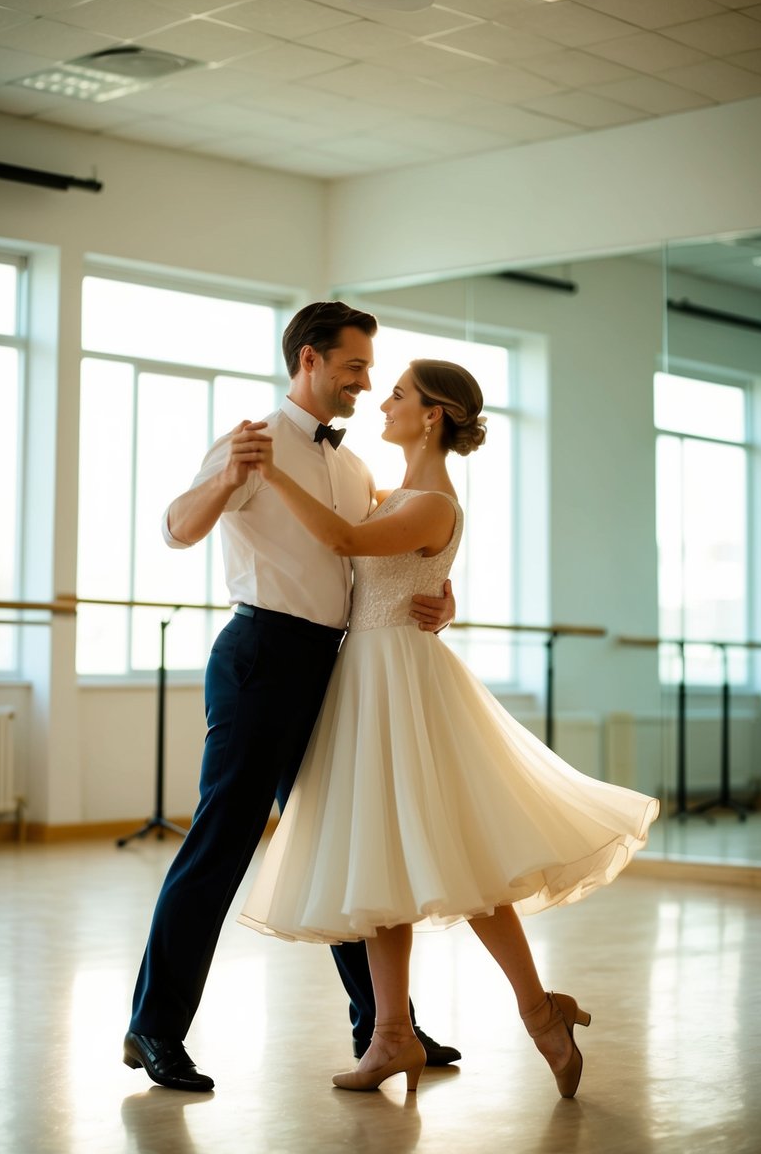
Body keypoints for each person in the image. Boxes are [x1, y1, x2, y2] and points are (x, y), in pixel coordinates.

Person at [238, 358, 660, 1099]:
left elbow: (343, 541)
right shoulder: (395, 490)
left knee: (458, 861)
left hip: (399, 682)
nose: (383, 402)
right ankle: (391, 1037)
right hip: (367, 677)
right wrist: (439, 593)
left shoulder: (432, 499)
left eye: (397, 394)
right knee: (380, 861)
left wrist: (270, 472)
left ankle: (538, 1012)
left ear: (431, 416)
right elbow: (388, 560)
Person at [123, 304, 460, 1093]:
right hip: (260, 656)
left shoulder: (351, 469)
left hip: (332, 663)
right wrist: (229, 477)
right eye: (354, 368)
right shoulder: (253, 441)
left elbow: (388, 557)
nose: (365, 383)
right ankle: (153, 1028)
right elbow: (175, 528)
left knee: (346, 844)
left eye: (372, 372)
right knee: (222, 845)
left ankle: (384, 1031)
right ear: (309, 360)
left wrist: (442, 602)